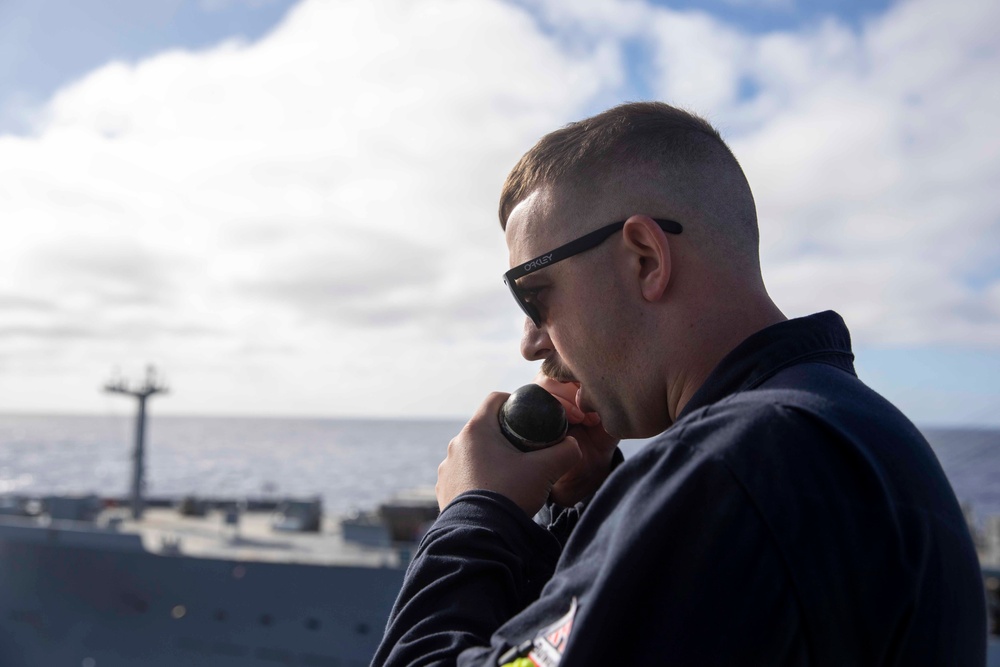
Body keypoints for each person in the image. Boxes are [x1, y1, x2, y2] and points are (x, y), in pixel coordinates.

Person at [372, 102, 987, 666]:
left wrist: (475, 514)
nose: (531, 343)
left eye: (536, 296)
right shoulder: (842, 435)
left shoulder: (734, 466)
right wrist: (598, 508)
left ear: (644, 257)